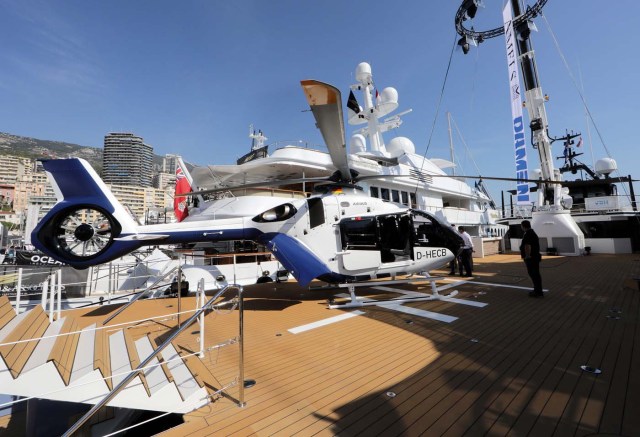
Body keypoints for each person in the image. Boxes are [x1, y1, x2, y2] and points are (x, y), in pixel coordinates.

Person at [519, 220, 543, 297]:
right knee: (535, 274)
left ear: (523, 226)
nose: (521, 227)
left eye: (521, 226)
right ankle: (537, 290)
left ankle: (537, 292)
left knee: (533, 274)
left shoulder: (528, 234)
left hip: (531, 258)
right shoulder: (532, 233)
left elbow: (527, 245)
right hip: (535, 257)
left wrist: (527, 256)